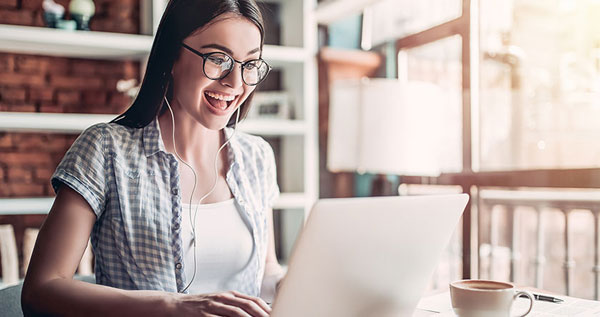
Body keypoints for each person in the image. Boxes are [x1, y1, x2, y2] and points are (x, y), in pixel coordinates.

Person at [21, 0, 284, 316]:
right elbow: (41, 290)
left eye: (250, 64)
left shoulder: (258, 156)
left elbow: (266, 271)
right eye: (218, 59)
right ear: (172, 55)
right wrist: (172, 305)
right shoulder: (105, 149)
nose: (235, 83)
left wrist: (291, 285)